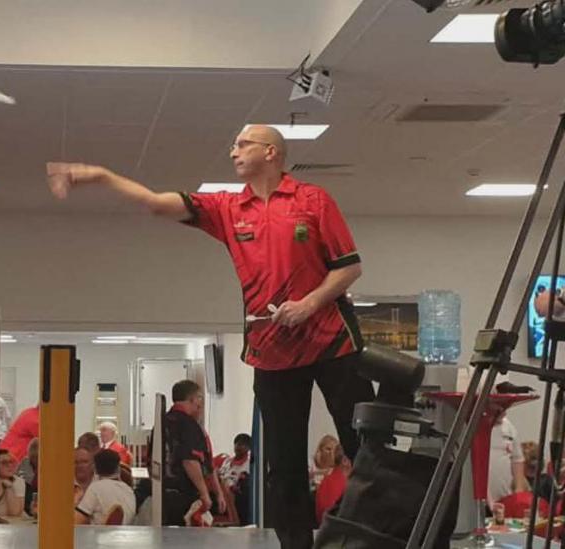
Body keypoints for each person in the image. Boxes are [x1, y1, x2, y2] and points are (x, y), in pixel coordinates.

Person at [47, 124, 375, 549]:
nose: (233, 151)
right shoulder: (226, 207)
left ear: (271, 152)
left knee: (366, 448)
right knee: (284, 466)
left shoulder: (313, 200)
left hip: (333, 341)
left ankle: (383, 538)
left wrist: (308, 304)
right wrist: (100, 175)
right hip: (271, 350)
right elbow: (155, 203)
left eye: (243, 144)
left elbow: (349, 267)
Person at [161, 380, 227, 526]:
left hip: (162, 493)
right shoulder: (189, 425)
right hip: (185, 495)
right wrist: (205, 493)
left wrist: (218, 492)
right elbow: (190, 461)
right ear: (192, 399)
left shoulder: (161, 422)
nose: (201, 404)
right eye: (199, 398)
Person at [75, 449, 137, 525]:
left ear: (95, 468)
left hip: (100, 532)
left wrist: (76, 501)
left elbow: (77, 521)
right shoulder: (129, 490)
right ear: (118, 468)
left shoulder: (95, 488)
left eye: (85, 462)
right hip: (127, 531)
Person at [488, 414, 528, 504]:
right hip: (480, 501)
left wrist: (519, 490)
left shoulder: (509, 426)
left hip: (505, 499)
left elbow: (517, 459)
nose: (504, 413)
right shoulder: (476, 425)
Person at [219, 433, 253, 525]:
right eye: (237, 443)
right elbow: (220, 474)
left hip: (235, 492)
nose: (238, 446)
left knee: (227, 486)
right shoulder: (227, 461)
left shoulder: (249, 465)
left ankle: (234, 521)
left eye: (242, 444)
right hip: (219, 490)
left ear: (248, 448)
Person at [0, 450, 26, 518]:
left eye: (11, 462)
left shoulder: (18, 481)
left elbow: (15, 513)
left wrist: (9, 487)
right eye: (4, 462)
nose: (9, 465)